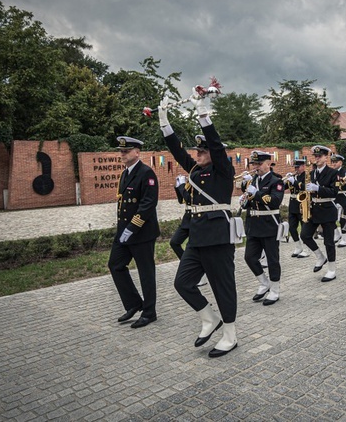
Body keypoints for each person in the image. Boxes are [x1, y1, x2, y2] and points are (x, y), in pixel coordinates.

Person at [158, 90, 238, 358]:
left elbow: (215, 145)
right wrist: (164, 123)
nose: (198, 153)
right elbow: (178, 151)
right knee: (183, 283)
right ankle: (208, 318)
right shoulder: (196, 171)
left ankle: (230, 335)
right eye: (197, 150)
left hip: (217, 236)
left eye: (203, 150)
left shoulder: (223, 171)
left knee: (222, 286)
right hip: (197, 236)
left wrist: (202, 113)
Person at [108, 136, 160, 329]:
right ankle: (133, 304)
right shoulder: (125, 174)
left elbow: (148, 204)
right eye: (121, 151)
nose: (122, 154)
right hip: (124, 232)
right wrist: (123, 229)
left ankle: (149, 312)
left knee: (146, 272)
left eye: (126, 151)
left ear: (137, 152)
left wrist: (132, 227)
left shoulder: (147, 173)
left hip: (142, 233)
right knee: (115, 265)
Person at [241, 151, 285, 305]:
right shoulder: (252, 181)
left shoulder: (276, 181)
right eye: (254, 164)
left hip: (269, 225)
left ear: (268, 164)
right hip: (253, 225)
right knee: (250, 257)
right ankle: (264, 282)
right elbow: (250, 201)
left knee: (272, 259)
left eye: (259, 164)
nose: (256, 167)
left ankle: (275, 290)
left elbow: (275, 201)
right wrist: (244, 200)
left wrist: (257, 193)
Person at [300, 145, 340, 282]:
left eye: (319, 156)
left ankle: (332, 269)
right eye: (315, 156)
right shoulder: (312, 173)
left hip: (328, 208)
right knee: (305, 235)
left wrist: (319, 188)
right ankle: (320, 256)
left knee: (329, 242)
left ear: (325, 157)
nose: (317, 159)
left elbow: (334, 193)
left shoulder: (333, 173)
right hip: (314, 209)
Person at [285, 158, 309, 258]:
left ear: (303, 166)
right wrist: (287, 180)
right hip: (293, 204)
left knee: (304, 228)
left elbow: (306, 187)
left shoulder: (307, 176)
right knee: (292, 227)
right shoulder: (294, 176)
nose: (296, 169)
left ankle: (306, 248)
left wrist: (294, 182)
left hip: (302, 204)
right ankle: (298, 246)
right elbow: (284, 187)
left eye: (298, 167)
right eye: (295, 167)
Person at [330, 153, 346, 248]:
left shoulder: (345, 172)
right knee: (330, 216)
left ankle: (344, 239)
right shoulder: (331, 172)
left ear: (340, 162)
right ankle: (337, 233)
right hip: (334, 196)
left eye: (335, 162)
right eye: (332, 162)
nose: (333, 164)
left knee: (343, 217)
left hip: (343, 195)